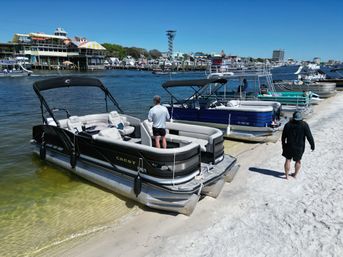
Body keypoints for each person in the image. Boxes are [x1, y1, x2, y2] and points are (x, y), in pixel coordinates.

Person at [281, 111, 315, 179]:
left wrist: (283, 145)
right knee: (298, 160)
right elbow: (309, 136)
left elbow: (283, 137)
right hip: (299, 147)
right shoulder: (304, 124)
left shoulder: (288, 125)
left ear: (293, 118)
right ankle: (295, 175)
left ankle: (287, 176)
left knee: (288, 159)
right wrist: (312, 145)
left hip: (289, 146)